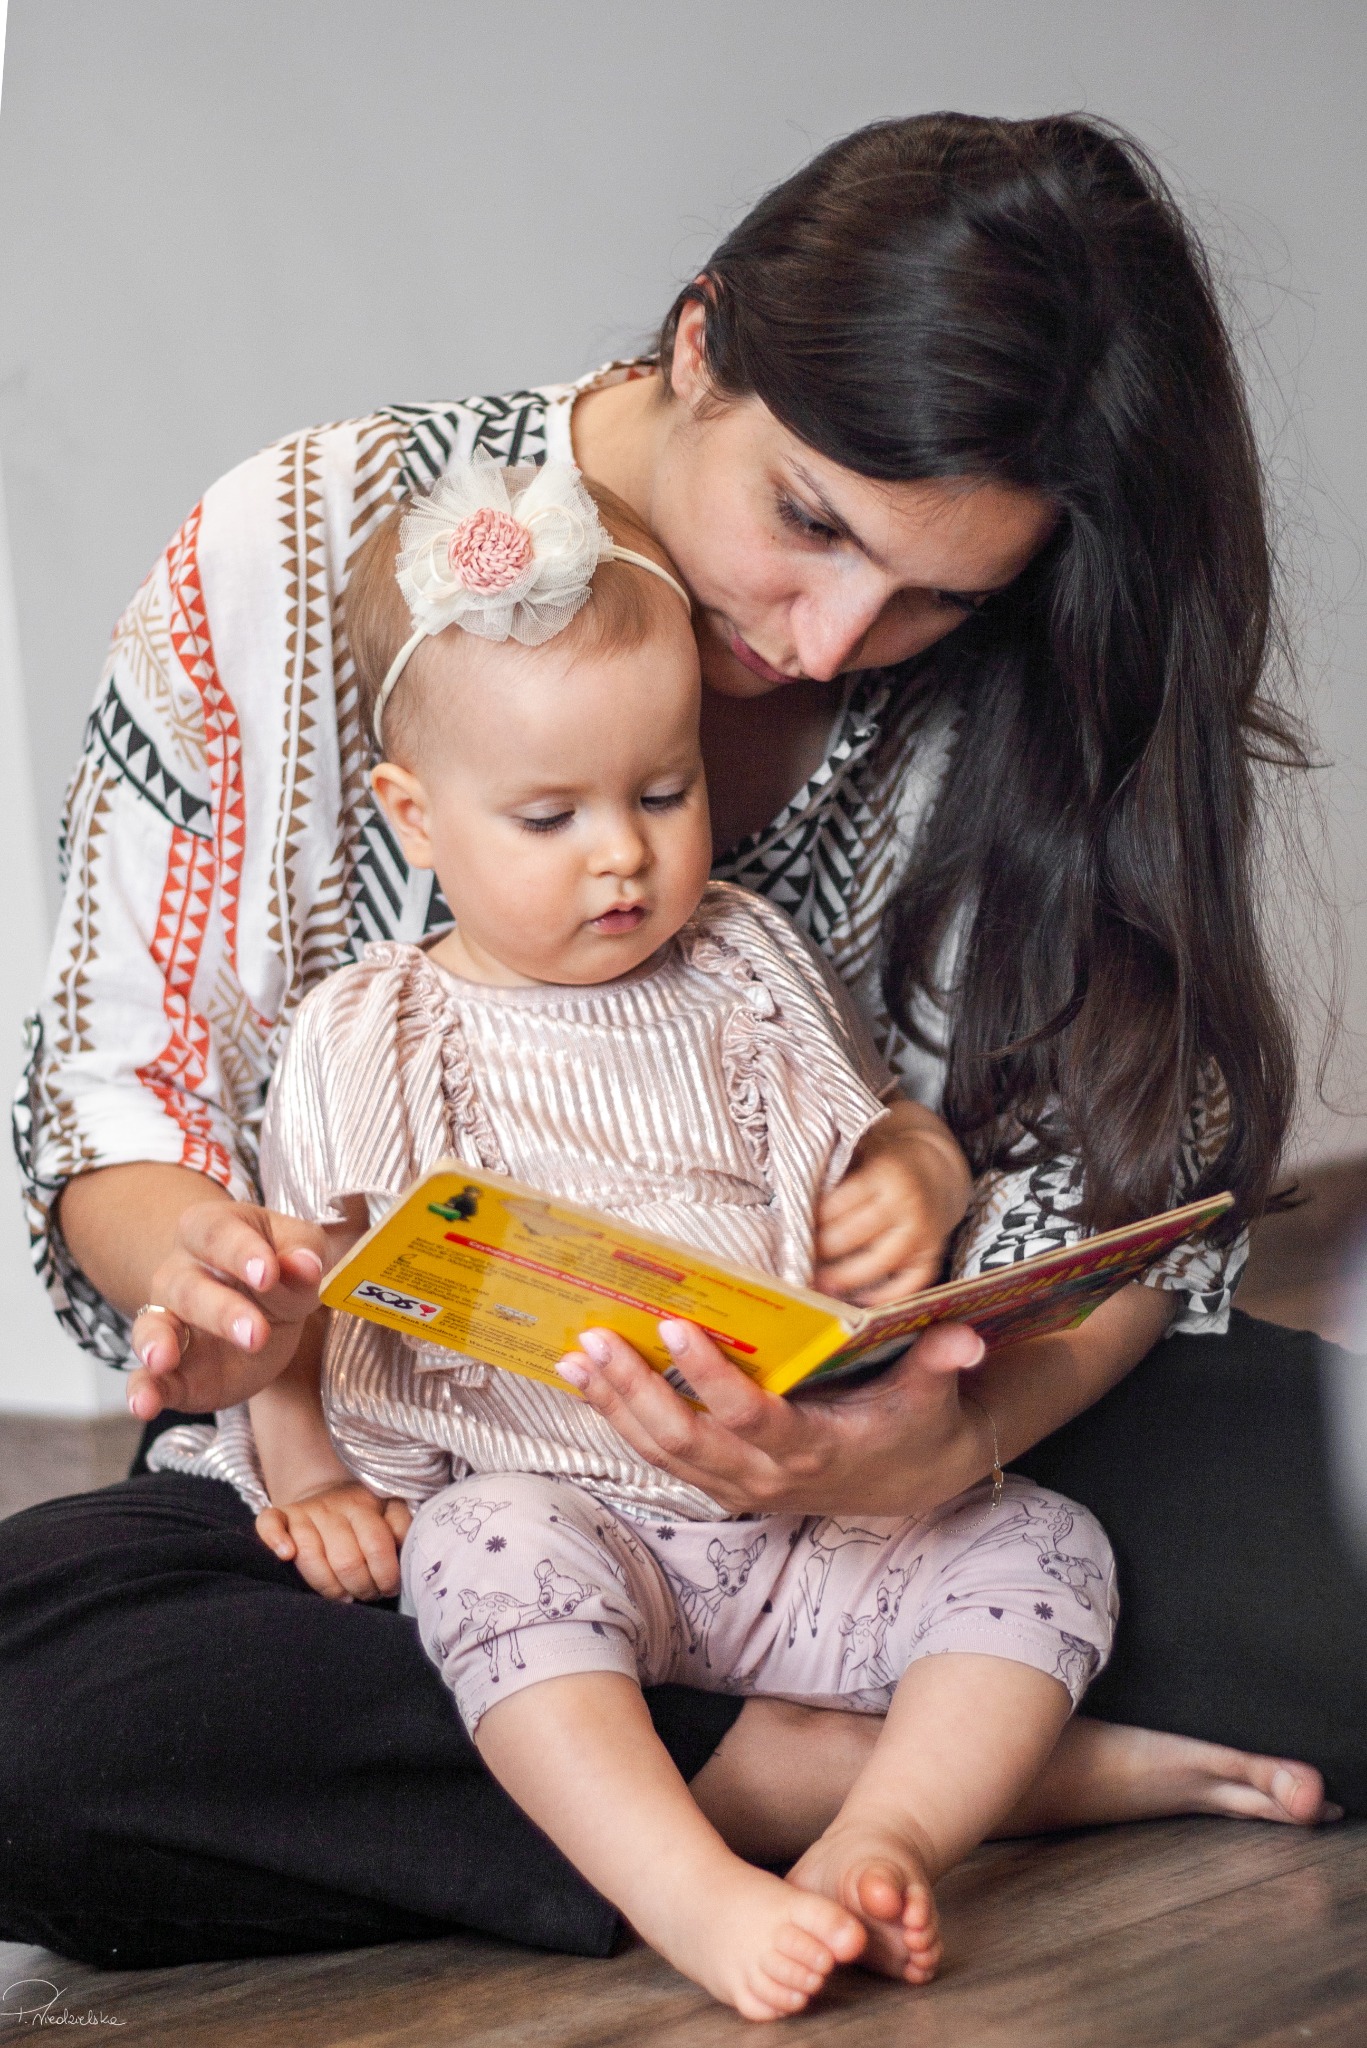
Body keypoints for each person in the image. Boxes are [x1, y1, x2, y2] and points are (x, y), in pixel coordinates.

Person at [4, 113, 1356, 1971]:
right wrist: (226, 1282)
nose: (832, 638)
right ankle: (851, 1777)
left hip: (909, 1473)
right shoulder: (296, 554)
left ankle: (766, 1755)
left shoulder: (1025, 671)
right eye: (809, 522)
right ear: (701, 343)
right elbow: (112, 1098)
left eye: (938, 593)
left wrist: (936, 1445)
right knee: (48, 1730)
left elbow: (1130, 1176)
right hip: (447, 1500)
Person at [164, 456, 1121, 2019]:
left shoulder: (742, 961)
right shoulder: (378, 1031)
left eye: (663, 794)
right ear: (416, 813)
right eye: (550, 816)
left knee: (1043, 1546)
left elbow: (889, 1122)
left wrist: (917, 1177)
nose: (623, 855)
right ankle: (685, 1886)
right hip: (570, 1529)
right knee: (482, 1560)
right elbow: (291, 1290)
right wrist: (313, 1470)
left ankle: (885, 1832)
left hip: (811, 1521)